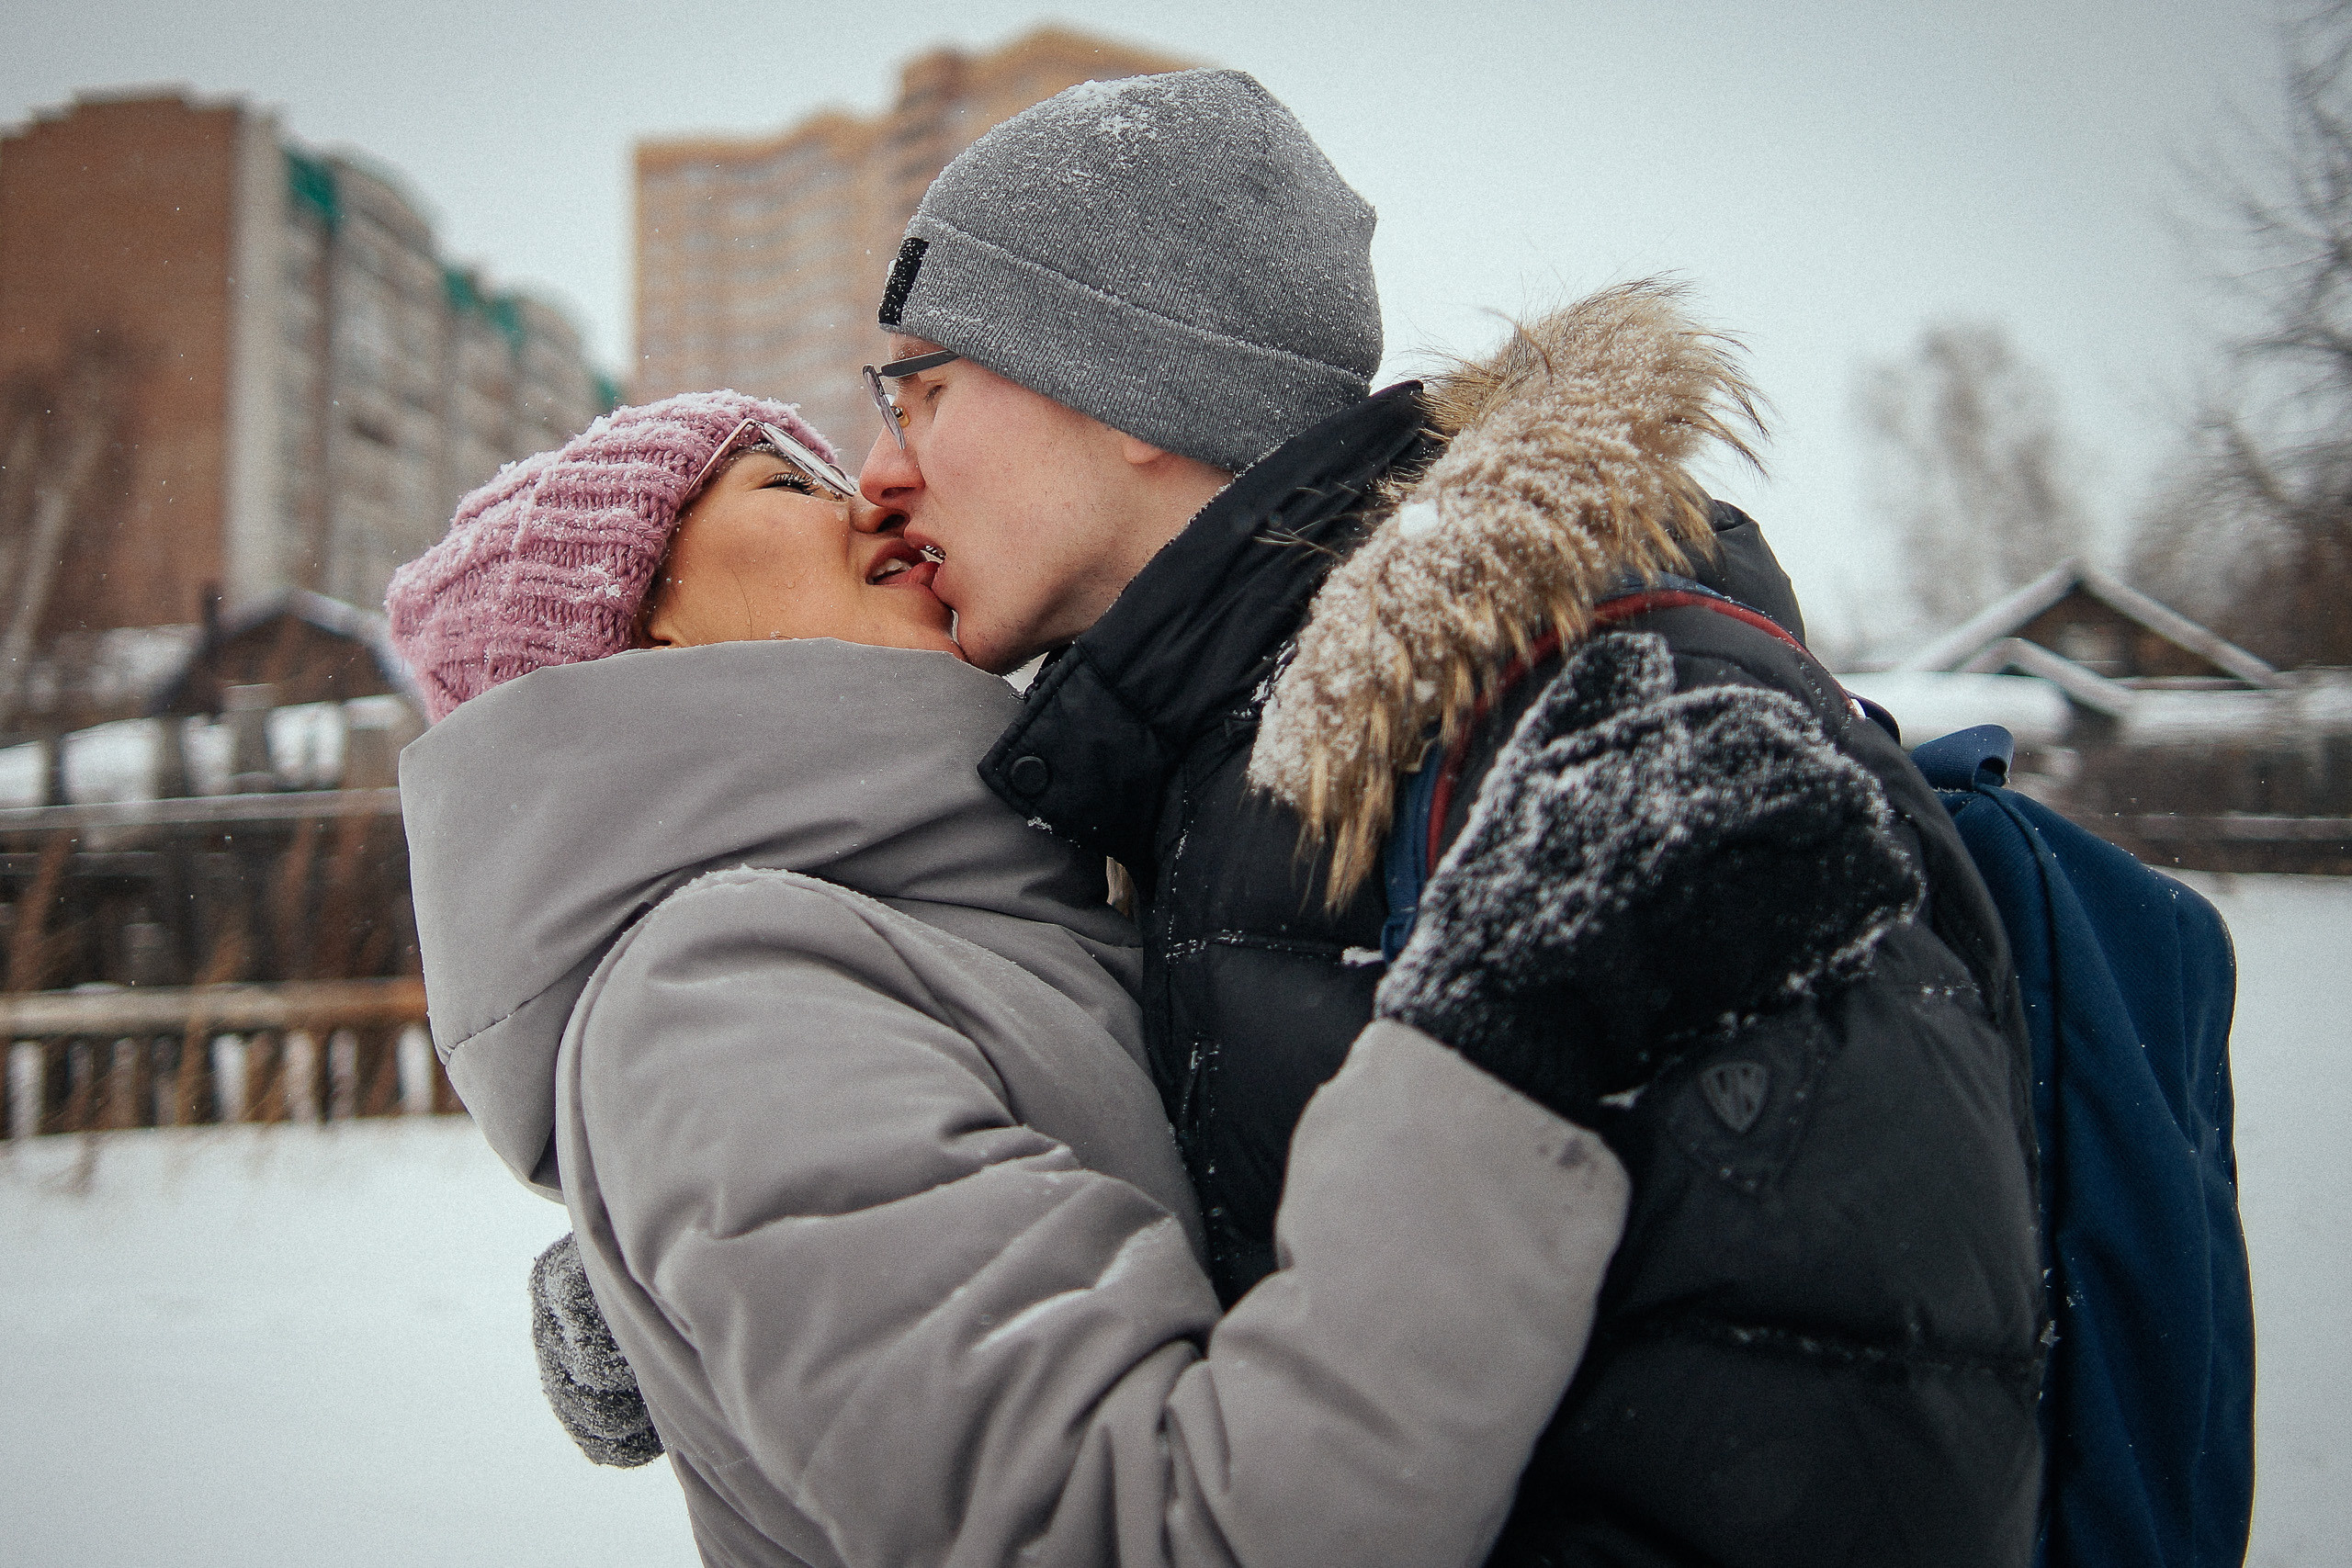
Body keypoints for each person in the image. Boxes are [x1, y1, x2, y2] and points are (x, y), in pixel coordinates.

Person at [855, 69, 2046, 1566]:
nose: (881, 471)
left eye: (927, 386)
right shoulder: (1197, 782)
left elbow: (1865, 1445)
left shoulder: (1619, 733)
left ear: (1128, 381)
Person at [384, 389, 1631, 1568]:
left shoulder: (984, 909)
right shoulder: (719, 1001)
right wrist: (1506, 1033)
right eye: (785, 483)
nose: (878, 497)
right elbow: (1149, 1534)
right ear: (640, 627)